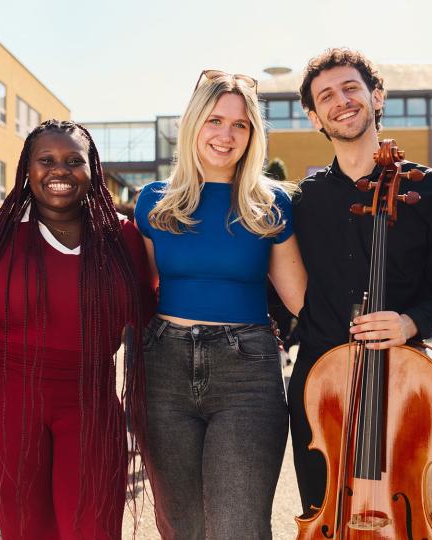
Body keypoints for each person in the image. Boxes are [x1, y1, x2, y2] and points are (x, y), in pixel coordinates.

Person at [288, 48, 432, 517]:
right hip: (321, 389)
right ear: (315, 118)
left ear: (376, 96)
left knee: (402, 506)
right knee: (324, 511)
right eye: (326, 96)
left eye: (351, 88)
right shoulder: (303, 201)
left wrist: (410, 322)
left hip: (401, 385)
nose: (342, 101)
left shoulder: (431, 190)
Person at [0, 120, 154, 540]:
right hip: (6, 407)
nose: (59, 170)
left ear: (92, 169)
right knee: (28, 531)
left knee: (93, 529)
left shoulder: (122, 238)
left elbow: (154, 316)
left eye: (73, 161)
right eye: (45, 160)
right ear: (27, 168)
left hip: (91, 403)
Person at [133, 70, 306, 539]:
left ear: (253, 135)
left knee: (238, 527)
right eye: (215, 120)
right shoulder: (154, 203)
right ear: (193, 124)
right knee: (181, 527)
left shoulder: (270, 205)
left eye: (241, 124)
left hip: (246, 372)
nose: (226, 135)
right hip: (164, 369)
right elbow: (135, 295)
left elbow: (302, 301)